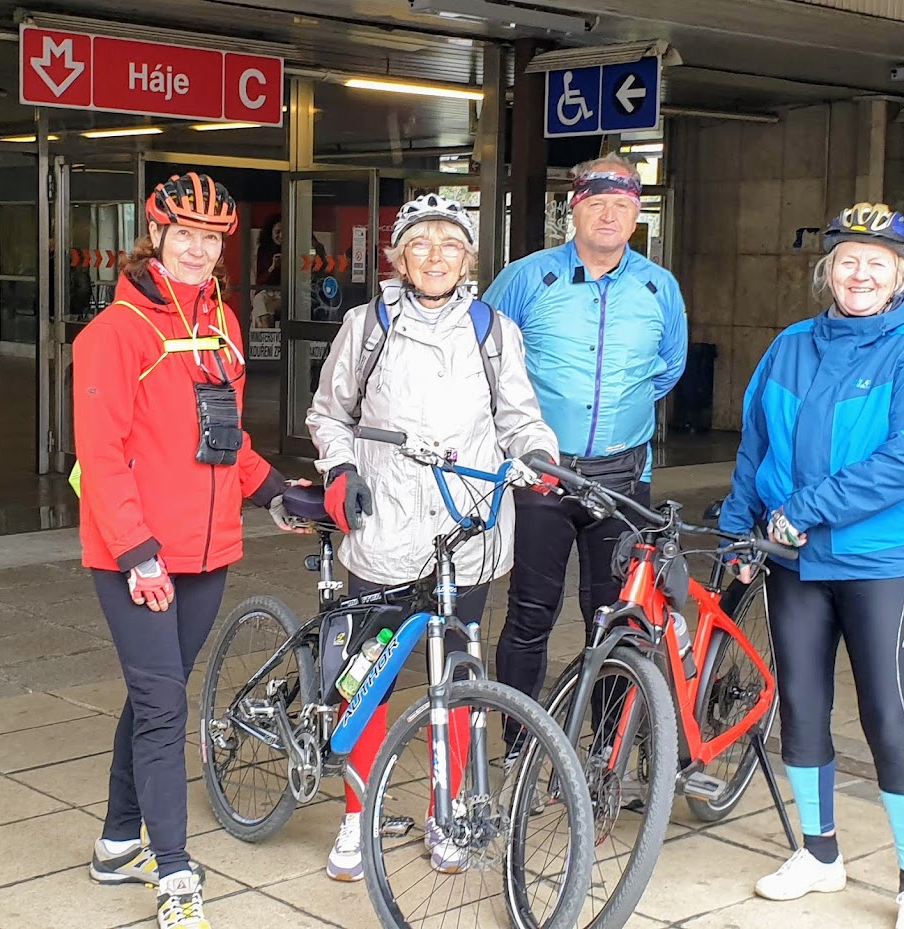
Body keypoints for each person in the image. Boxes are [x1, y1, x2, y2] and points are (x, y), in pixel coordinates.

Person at [73, 173, 307, 929]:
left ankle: (117, 842)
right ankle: (174, 870)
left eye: (211, 238)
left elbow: (226, 437)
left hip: (208, 553)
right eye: (185, 235)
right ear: (156, 236)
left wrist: (277, 492)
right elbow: (101, 456)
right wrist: (137, 552)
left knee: (158, 692)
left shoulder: (224, 324)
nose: (199, 250)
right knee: (163, 703)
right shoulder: (113, 333)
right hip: (136, 554)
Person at [306, 193, 558, 882]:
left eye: (451, 244)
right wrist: (341, 467)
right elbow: (328, 413)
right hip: (385, 528)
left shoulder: (494, 330)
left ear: (469, 258)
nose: (436, 256)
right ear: (399, 257)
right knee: (370, 680)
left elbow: (520, 418)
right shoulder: (365, 326)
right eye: (421, 243)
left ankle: (445, 815)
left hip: (465, 531)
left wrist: (538, 455)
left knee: (457, 678)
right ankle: (356, 817)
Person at [719, 201, 904, 929]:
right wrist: (737, 529)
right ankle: (819, 854)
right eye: (848, 261)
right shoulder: (790, 344)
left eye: (877, 264)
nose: (860, 274)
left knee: (888, 714)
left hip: (881, 559)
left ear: (900, 277)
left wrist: (807, 507)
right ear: (828, 271)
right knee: (801, 706)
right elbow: (756, 443)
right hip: (791, 557)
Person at [484, 152, 687, 757]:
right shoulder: (527, 277)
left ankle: (606, 752)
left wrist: (617, 413)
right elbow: (485, 357)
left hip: (623, 479)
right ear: (572, 209)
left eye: (622, 205)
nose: (608, 215)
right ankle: (520, 744)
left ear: (636, 215)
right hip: (544, 475)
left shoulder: (659, 286)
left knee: (617, 617)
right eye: (596, 203)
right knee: (530, 612)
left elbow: (667, 368)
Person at [255, 214, 282, 287]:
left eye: (285, 232)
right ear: (270, 232)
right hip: (268, 290)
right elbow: (259, 281)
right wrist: (272, 268)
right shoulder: (263, 250)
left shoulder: (296, 249)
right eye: (277, 232)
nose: (281, 236)